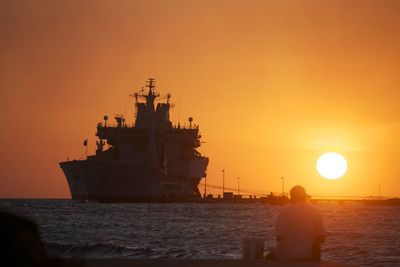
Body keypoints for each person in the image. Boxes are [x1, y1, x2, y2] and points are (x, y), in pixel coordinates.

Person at [274, 185, 325, 261]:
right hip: (308, 256)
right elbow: (322, 238)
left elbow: (278, 237)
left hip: (287, 256)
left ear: (292, 196)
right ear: (304, 197)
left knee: (269, 256)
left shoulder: (285, 211)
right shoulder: (316, 211)